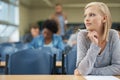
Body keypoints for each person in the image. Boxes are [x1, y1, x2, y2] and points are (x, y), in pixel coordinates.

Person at [74, 2, 120, 75]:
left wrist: (91, 71)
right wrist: (95, 45)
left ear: (104, 18)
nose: (87, 19)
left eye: (92, 15)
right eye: (85, 16)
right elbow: (82, 70)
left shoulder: (113, 35)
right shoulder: (82, 35)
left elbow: (118, 68)